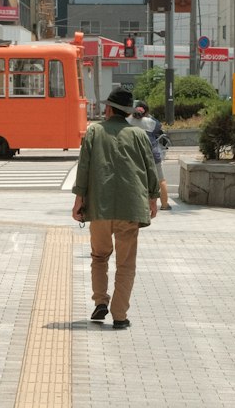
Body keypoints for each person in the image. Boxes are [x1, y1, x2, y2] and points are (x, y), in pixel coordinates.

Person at [72, 86, 160, 330]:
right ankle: (119, 315)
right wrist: (153, 199)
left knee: (99, 256)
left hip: (100, 207)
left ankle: (100, 301)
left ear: (109, 108)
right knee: (126, 263)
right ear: (128, 112)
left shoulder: (94, 132)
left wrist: (79, 200)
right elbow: (150, 169)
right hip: (131, 208)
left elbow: (84, 168)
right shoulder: (139, 135)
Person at [130, 100, 171, 211]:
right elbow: (159, 127)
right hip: (152, 154)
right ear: (146, 111)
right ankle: (164, 204)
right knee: (160, 180)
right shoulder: (151, 122)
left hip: (134, 154)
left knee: (137, 180)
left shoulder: (128, 121)